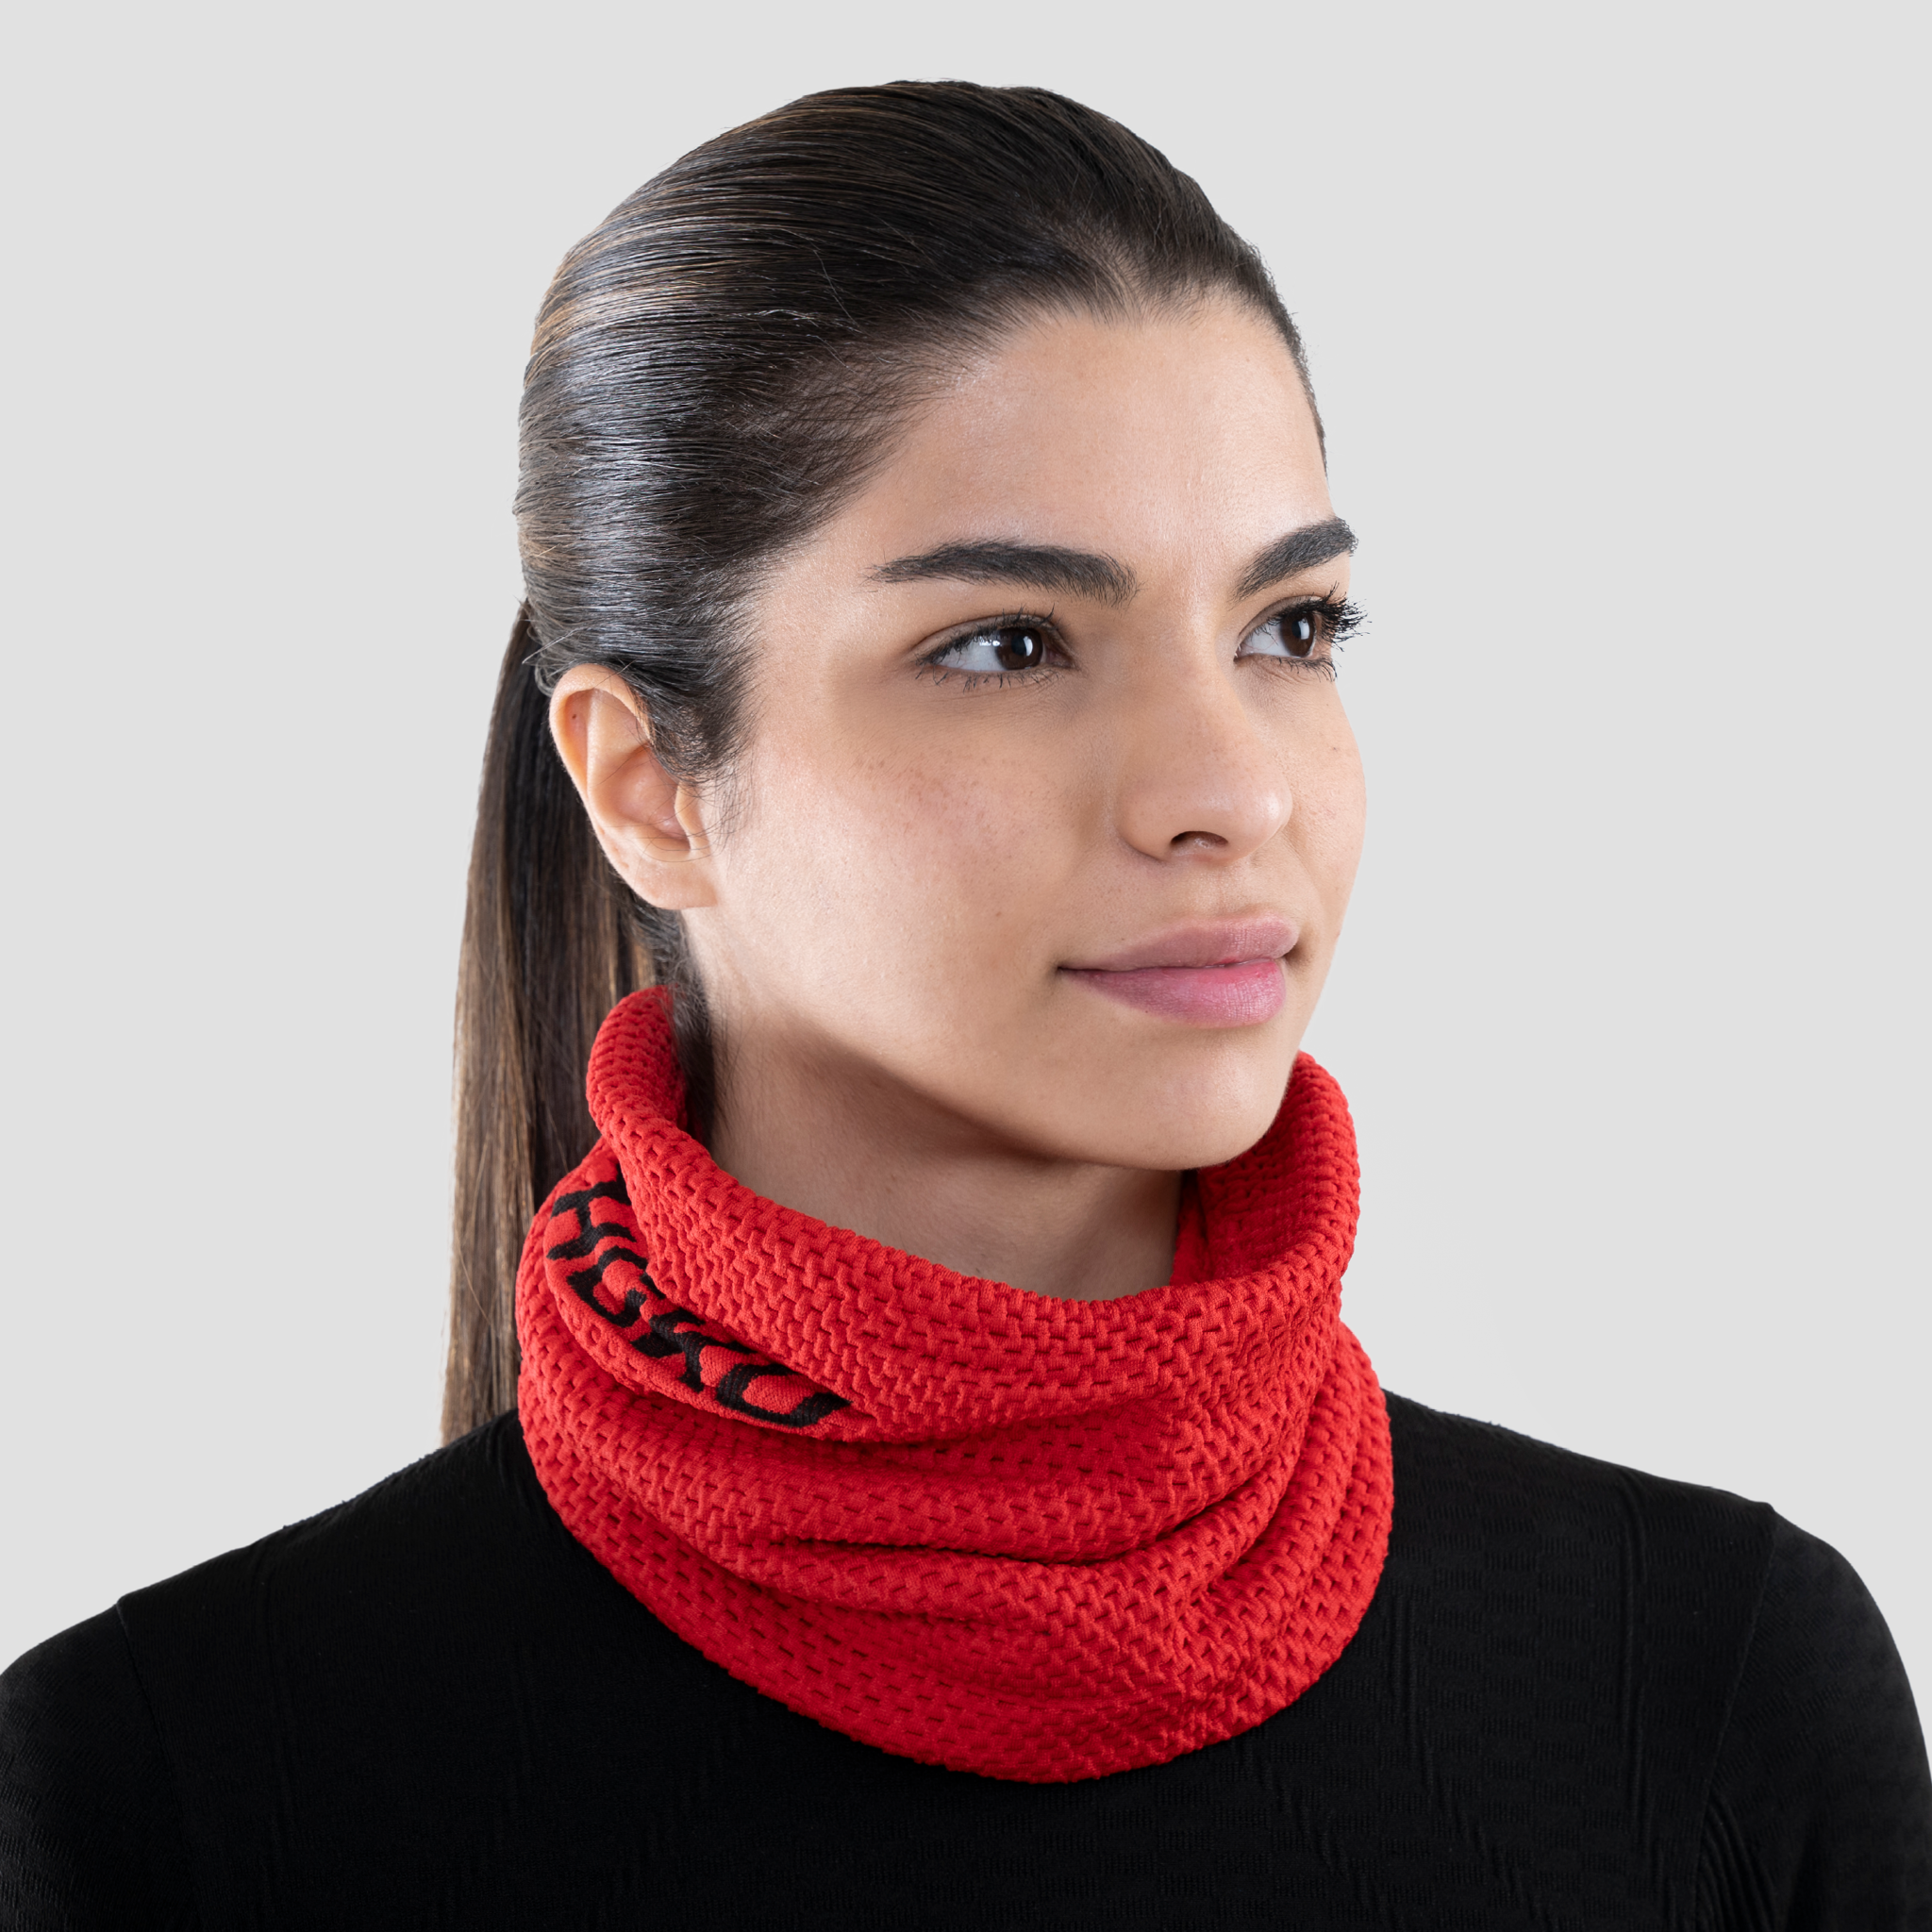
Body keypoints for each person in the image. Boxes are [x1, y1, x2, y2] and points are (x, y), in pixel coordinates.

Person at [2, 81, 1926, 1930]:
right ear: (650, 787)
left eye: (1290, 629)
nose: (1230, 790)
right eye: (1006, 645)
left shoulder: (1714, 1695)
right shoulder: (159, 1794)